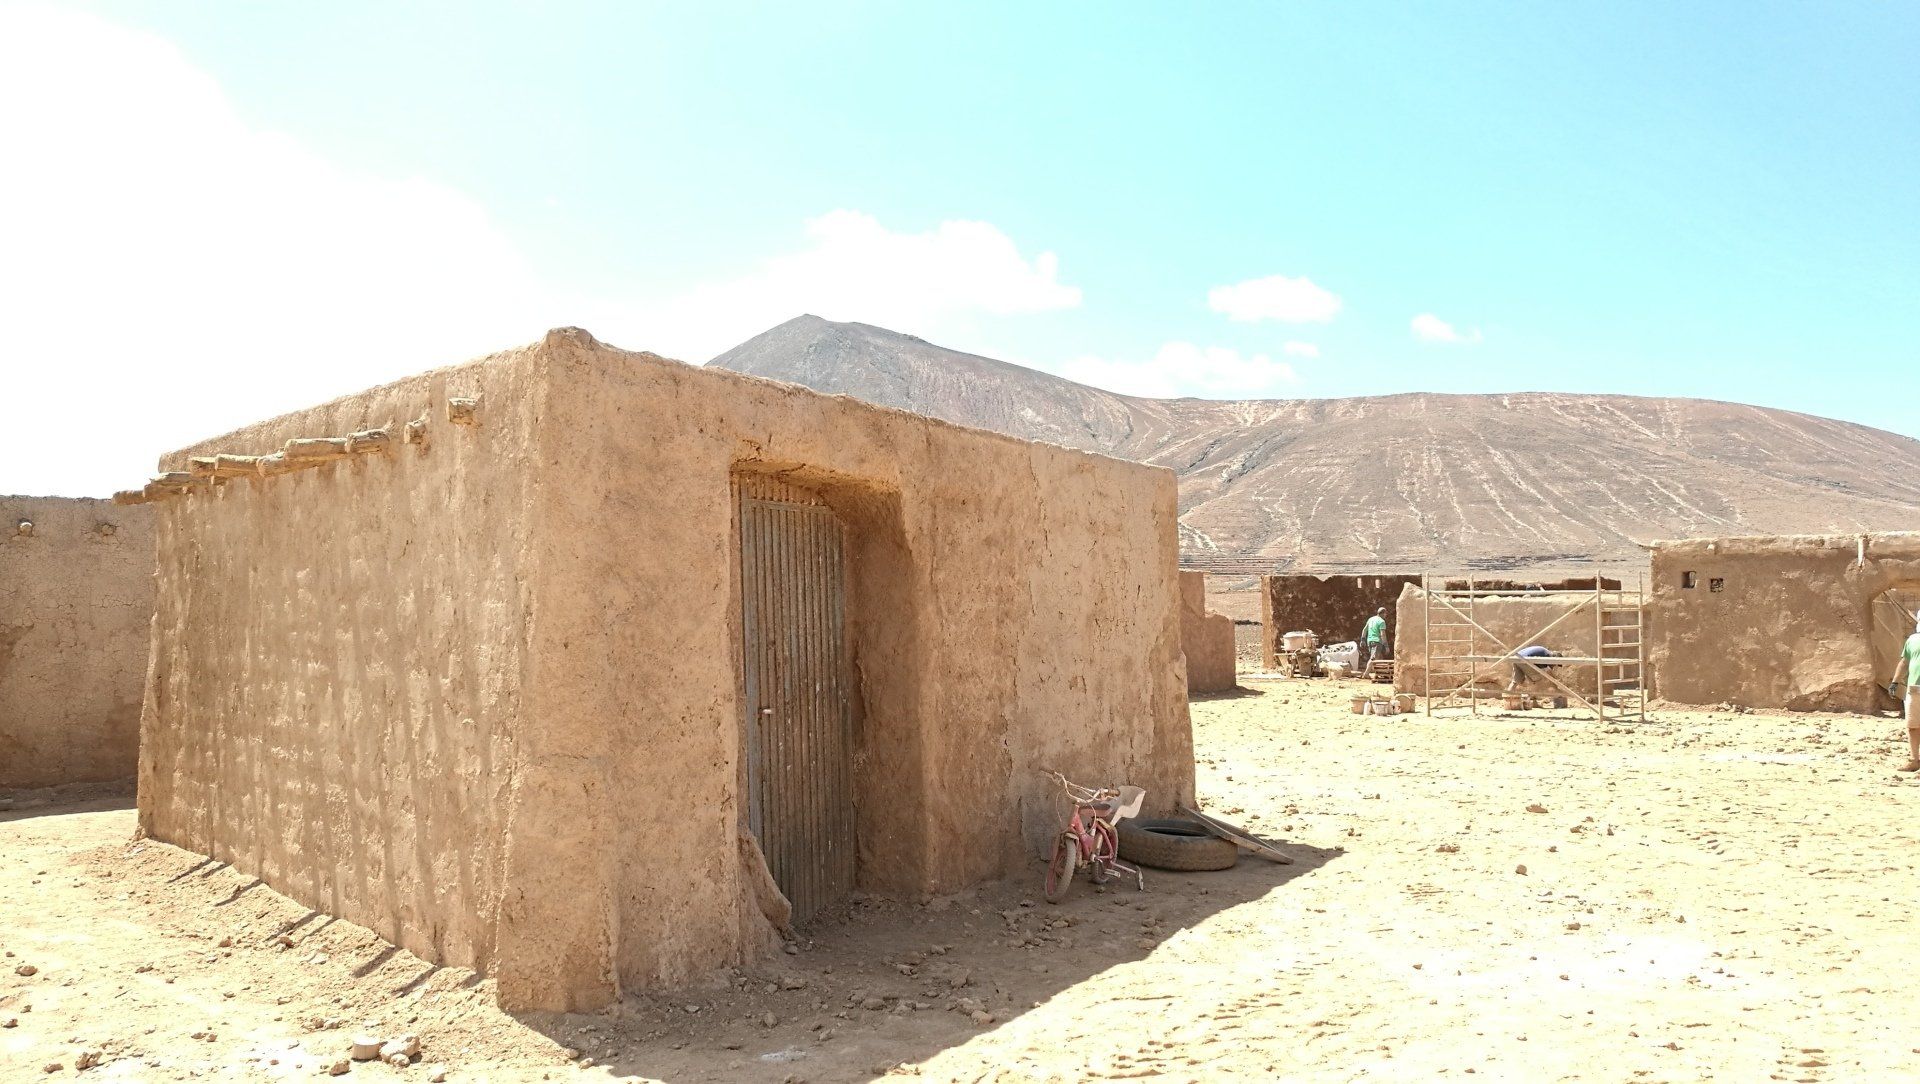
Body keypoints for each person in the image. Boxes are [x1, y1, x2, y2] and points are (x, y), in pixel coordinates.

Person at [1888, 616, 1920, 771]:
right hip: (1914, 689)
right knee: (1913, 725)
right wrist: (1895, 681)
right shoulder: (1912, 640)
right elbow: (1904, 662)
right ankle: (1914, 760)